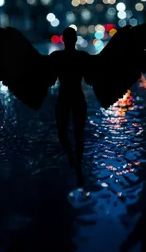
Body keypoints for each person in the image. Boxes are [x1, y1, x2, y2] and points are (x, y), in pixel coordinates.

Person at [49, 27, 90, 188]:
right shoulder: (82, 57)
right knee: (78, 134)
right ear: (75, 39)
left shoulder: (56, 57)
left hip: (64, 97)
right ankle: (77, 165)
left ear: (64, 40)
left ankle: (72, 158)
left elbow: (51, 78)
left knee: (62, 132)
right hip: (77, 98)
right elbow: (89, 78)